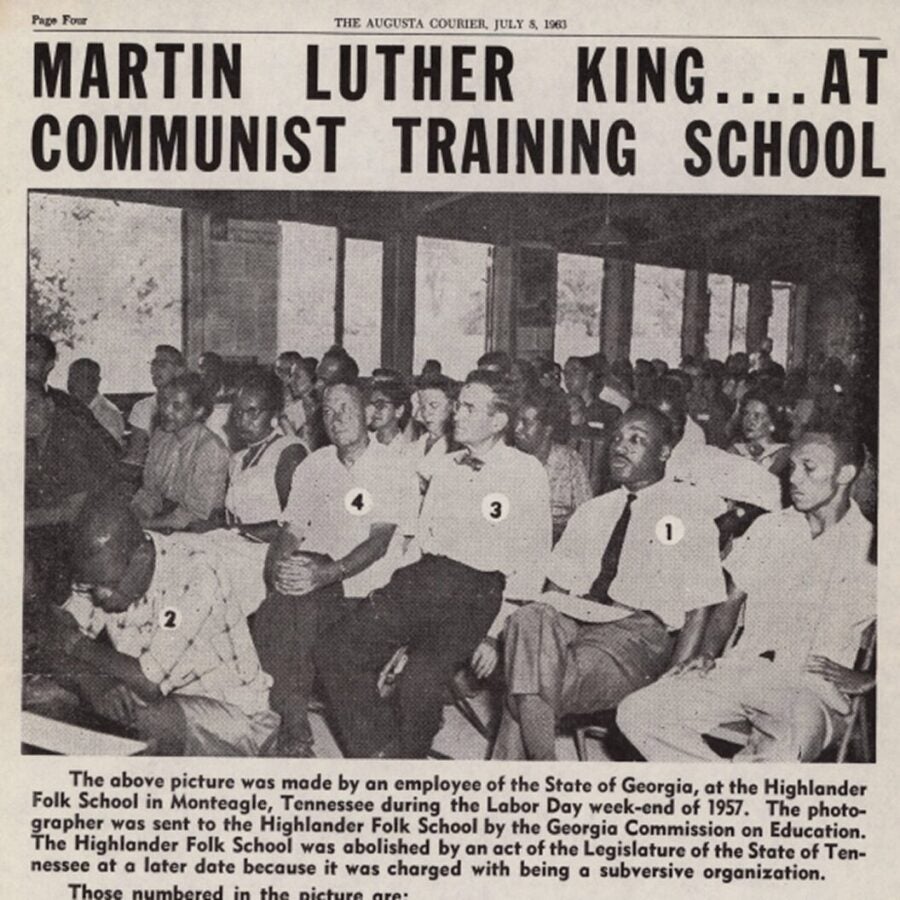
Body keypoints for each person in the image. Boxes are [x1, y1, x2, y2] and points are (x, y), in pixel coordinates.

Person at [316, 370, 552, 758]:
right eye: (457, 405)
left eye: (469, 408)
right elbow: (421, 543)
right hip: (424, 578)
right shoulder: (446, 464)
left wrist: (496, 633)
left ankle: (409, 763)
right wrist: (391, 597)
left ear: (498, 422)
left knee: (418, 683)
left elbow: (532, 558)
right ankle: (379, 751)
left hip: (479, 591)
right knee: (335, 648)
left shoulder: (526, 473)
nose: (455, 415)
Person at [617, 428, 875, 762]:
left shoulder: (872, 546)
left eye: (809, 468)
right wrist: (708, 652)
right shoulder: (771, 529)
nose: (794, 478)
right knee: (637, 712)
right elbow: (731, 600)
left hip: (810, 690)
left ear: (845, 474)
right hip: (741, 669)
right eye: (792, 467)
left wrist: (874, 677)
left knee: (785, 748)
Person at [492, 406, 725, 760]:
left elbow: (700, 608)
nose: (620, 447)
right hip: (574, 621)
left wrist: (671, 685)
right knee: (527, 619)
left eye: (636, 440)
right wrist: (546, 630)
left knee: (523, 680)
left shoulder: (687, 512)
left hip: (633, 634)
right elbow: (555, 589)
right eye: (616, 438)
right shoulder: (593, 511)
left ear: (664, 452)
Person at [255, 380, 419, 756]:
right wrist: (279, 569)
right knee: (281, 604)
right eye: (328, 411)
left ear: (368, 413)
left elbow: (378, 543)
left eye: (345, 407)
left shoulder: (393, 466)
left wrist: (321, 575)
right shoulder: (315, 466)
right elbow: (291, 530)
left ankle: (293, 728)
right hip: (317, 582)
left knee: (295, 604)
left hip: (368, 590)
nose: (336, 417)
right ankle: (294, 723)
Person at [49, 494, 278, 755]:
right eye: (89, 586)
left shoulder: (194, 573)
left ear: (142, 558)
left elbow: (148, 683)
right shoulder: (104, 571)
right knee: (49, 695)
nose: (99, 595)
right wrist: (92, 682)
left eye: (108, 585)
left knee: (134, 715)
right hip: (170, 703)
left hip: (240, 722)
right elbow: (57, 629)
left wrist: (79, 647)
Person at [131, 372, 230, 530]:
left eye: (177, 406)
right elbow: (149, 493)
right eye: (164, 402)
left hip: (194, 532)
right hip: (161, 523)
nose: (166, 410)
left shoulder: (211, 449)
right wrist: (136, 515)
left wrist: (146, 524)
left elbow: (198, 515)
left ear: (198, 411)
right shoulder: (161, 436)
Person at [514, 388, 591, 542]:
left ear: (548, 429)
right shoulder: (509, 460)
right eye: (517, 420)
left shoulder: (570, 461)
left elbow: (586, 516)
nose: (517, 428)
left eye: (526, 423)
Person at [27, 333, 121, 455]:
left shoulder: (70, 405)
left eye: (30, 358)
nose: (20, 364)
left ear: (49, 366)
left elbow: (110, 451)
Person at [125, 345, 186, 466]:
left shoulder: (189, 406)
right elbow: (136, 453)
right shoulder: (142, 407)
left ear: (179, 370)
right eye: (153, 364)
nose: (154, 370)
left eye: (162, 365)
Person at [410, 373, 458, 492]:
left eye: (433, 405)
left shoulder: (459, 447)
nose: (426, 413)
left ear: (452, 406)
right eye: (422, 406)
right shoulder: (416, 444)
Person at [728, 391, 791, 476]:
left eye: (757, 416)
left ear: (772, 421)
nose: (749, 421)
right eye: (746, 414)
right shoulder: (736, 449)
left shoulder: (781, 453)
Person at [67, 358, 126, 447]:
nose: (71, 382)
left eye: (80, 377)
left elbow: (105, 452)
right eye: (71, 377)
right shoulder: (69, 407)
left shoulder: (108, 414)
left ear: (96, 381)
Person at [564, 355, 621, 435]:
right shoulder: (557, 408)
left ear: (589, 376)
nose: (568, 377)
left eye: (574, 371)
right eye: (565, 373)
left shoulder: (609, 412)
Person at [365, 377, 412, 453]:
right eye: (372, 405)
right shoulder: (363, 443)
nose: (374, 410)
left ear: (399, 410)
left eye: (380, 404)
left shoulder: (408, 450)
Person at [198, 351, 233, 449]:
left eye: (211, 368)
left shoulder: (232, 398)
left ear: (220, 370)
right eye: (201, 367)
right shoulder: (193, 397)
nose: (205, 372)